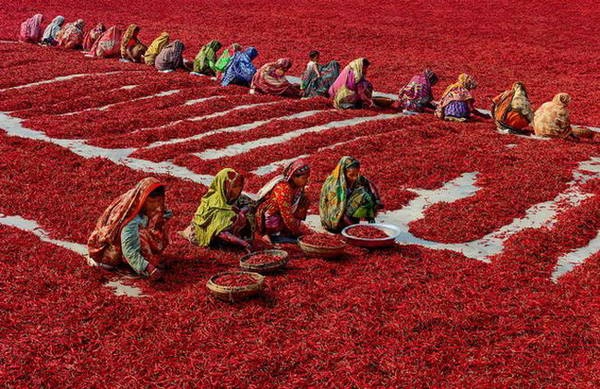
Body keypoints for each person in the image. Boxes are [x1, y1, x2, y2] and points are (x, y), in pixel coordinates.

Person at [87, 178, 172, 280]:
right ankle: (140, 263)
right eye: (152, 202)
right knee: (141, 236)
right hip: (108, 250)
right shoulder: (131, 219)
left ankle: (144, 260)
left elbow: (161, 215)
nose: (156, 205)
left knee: (160, 221)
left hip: (126, 237)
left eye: (159, 200)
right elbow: (129, 250)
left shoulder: (138, 196)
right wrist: (148, 268)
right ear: (143, 199)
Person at [180, 168, 252, 251]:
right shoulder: (214, 205)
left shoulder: (234, 196)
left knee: (247, 215)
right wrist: (243, 243)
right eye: (234, 186)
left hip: (229, 231)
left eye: (240, 185)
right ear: (223, 186)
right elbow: (221, 232)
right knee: (231, 217)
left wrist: (241, 212)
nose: (238, 189)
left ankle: (239, 238)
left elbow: (249, 204)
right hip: (212, 234)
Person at [320, 156, 383, 232]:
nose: (355, 178)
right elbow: (339, 212)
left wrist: (377, 200)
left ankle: (370, 222)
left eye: (356, 174)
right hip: (333, 222)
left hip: (346, 212)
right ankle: (349, 226)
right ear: (343, 172)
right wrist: (355, 230)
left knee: (365, 193)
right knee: (362, 194)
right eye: (351, 175)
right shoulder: (335, 187)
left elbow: (369, 183)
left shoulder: (354, 177)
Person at [255, 159, 312, 244]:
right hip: (270, 216)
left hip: (283, 215)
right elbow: (287, 215)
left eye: (307, 178)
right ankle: (267, 233)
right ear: (293, 177)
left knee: (305, 200)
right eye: (304, 178)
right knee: (281, 224)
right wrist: (296, 232)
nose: (306, 181)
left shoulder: (298, 187)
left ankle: (286, 232)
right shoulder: (283, 189)